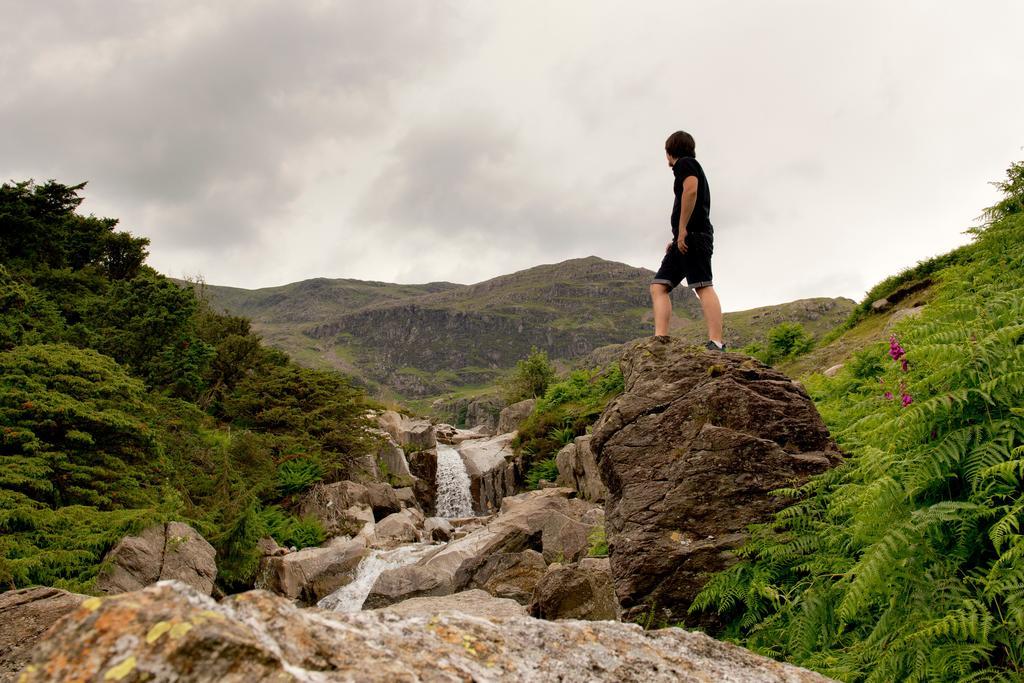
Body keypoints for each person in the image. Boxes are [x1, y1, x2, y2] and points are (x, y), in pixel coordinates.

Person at [649, 130, 725, 351]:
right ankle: (661, 339)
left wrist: (682, 230)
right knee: (658, 286)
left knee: (702, 286)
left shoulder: (686, 164)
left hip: (693, 236)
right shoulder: (688, 165)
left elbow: (690, 191)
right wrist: (676, 238)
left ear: (670, 152)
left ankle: (717, 342)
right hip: (684, 238)